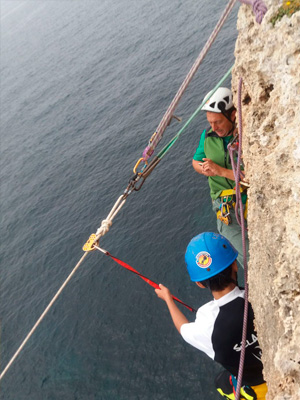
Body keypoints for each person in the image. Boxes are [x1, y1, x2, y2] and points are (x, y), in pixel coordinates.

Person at [155, 232, 267, 399]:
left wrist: (168, 299)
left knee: (221, 382)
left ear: (200, 284)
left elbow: (183, 329)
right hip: (274, 369)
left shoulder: (207, 322)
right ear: (235, 265)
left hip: (257, 388)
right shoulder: (260, 294)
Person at [192, 87, 248, 267]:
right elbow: (195, 162)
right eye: (210, 122)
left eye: (218, 122)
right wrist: (204, 169)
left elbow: (253, 177)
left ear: (233, 116)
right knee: (247, 258)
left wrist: (220, 171)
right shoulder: (208, 136)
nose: (214, 128)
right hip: (226, 207)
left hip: (248, 199)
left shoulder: (246, 135)